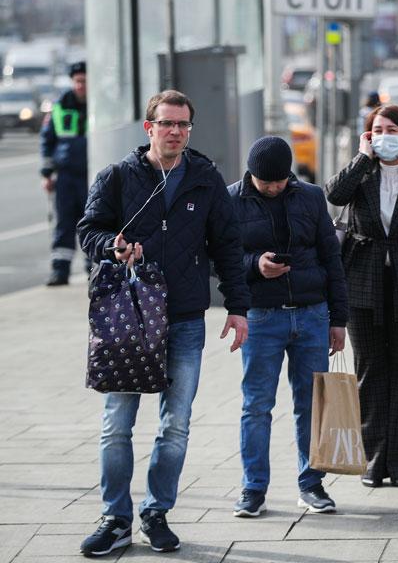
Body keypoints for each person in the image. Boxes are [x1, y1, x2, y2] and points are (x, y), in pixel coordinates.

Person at [77, 90, 250, 557]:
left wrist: (238, 308)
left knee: (175, 425)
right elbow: (87, 230)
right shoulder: (118, 177)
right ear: (149, 127)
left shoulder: (205, 178)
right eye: (167, 123)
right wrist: (110, 247)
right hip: (130, 317)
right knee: (117, 424)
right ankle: (115, 518)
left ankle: (156, 512)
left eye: (183, 125)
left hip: (186, 319)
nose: (176, 131)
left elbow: (228, 246)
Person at [228, 136, 349, 518]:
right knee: (257, 405)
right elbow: (220, 258)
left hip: (312, 313)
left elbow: (332, 256)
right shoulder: (231, 200)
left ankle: (311, 484)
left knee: (312, 404)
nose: (274, 188)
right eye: (267, 183)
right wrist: (255, 266)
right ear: (252, 175)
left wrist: (339, 319)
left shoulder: (310, 196)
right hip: (262, 316)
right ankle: (253, 489)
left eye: (280, 181)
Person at [324, 105, 398, 488]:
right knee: (370, 371)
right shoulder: (361, 173)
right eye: (377, 130)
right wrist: (362, 157)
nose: (385, 135)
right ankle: (374, 460)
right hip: (362, 283)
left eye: (392, 129)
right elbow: (333, 194)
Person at [40, 61, 88, 286]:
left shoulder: (103, 104)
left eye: (85, 82)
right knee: (64, 224)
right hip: (67, 176)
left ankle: (94, 270)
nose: (81, 86)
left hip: (92, 175)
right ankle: (60, 271)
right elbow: (47, 141)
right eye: (78, 81)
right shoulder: (60, 106)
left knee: (92, 222)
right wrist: (47, 173)